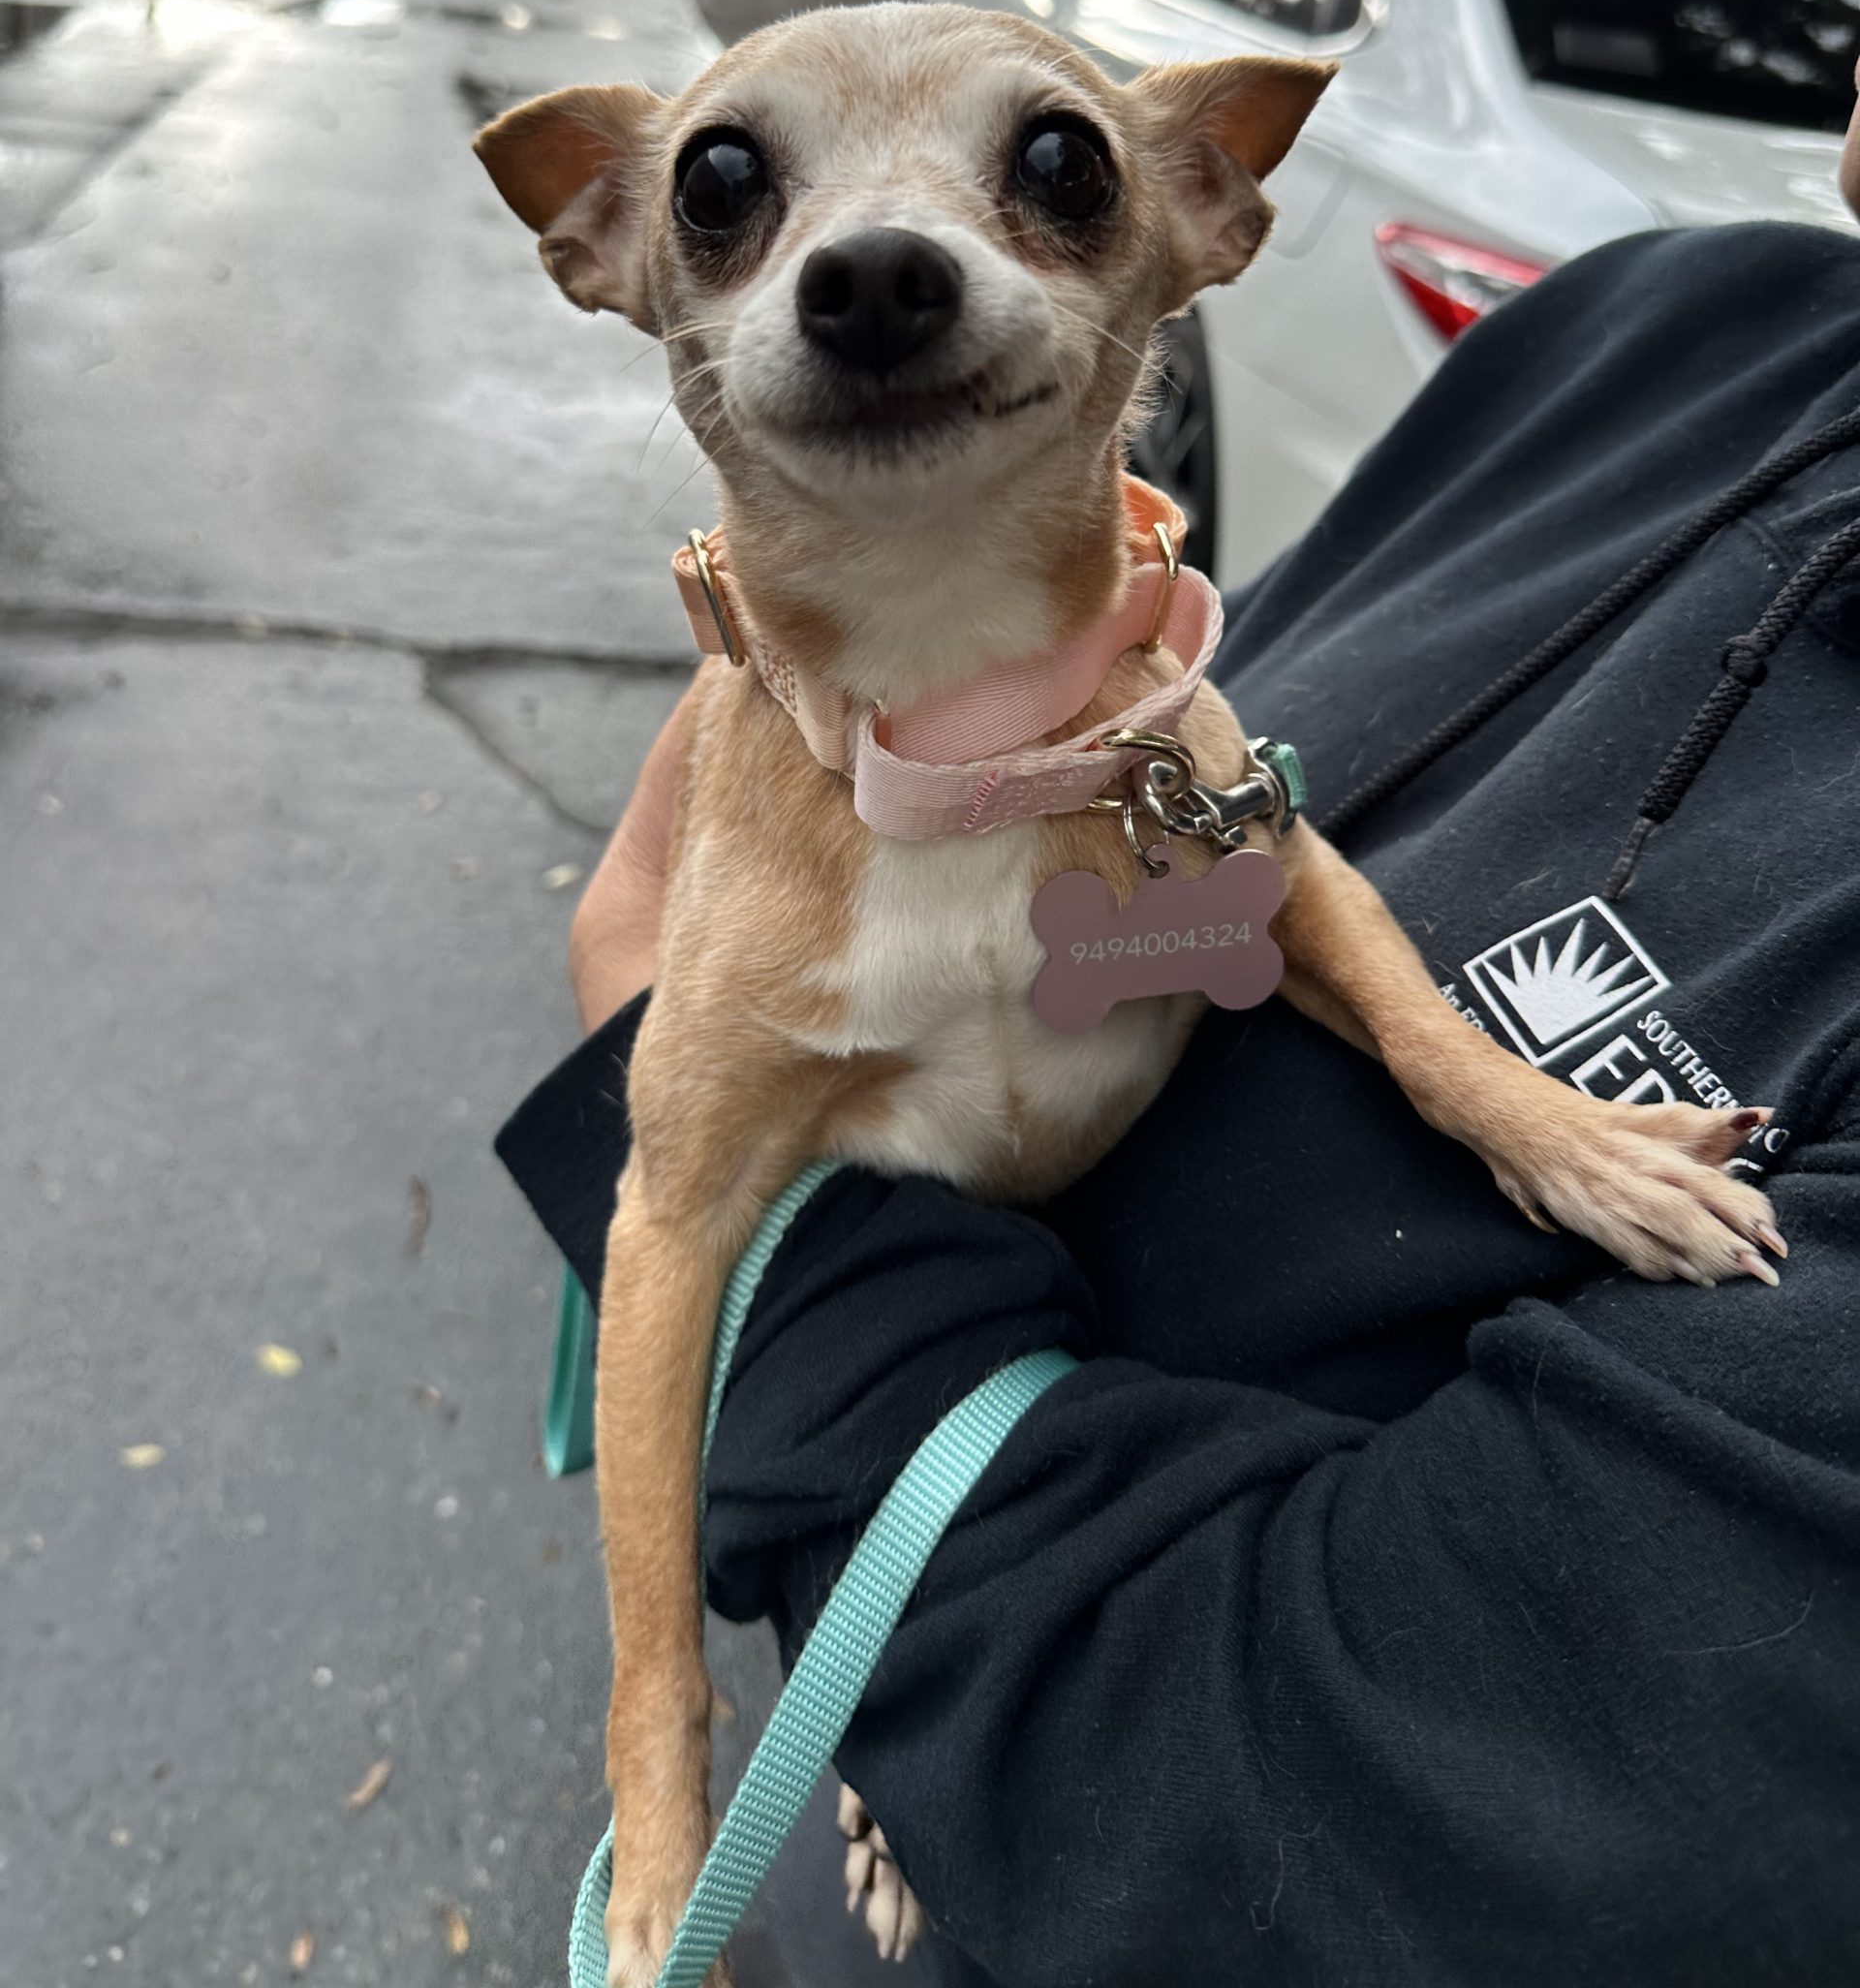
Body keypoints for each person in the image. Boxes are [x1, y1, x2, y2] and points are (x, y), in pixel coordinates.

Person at [500, 147, 1860, 1978]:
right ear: (610, 255)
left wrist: (732, 1171)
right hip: (856, 1644)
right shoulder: (1661, 321)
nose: (871, 260)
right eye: (731, 197)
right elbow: (1242, 842)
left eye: (1052, 173)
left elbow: (1320, 1817)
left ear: (1205, 210)